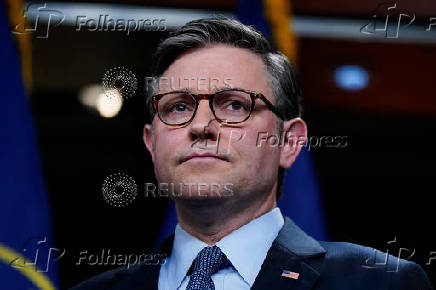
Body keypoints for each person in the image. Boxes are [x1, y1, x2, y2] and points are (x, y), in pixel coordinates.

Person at [72, 17, 433, 290]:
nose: (201, 126)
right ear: (152, 144)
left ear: (289, 142)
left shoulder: (377, 283)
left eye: (233, 105)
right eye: (178, 107)